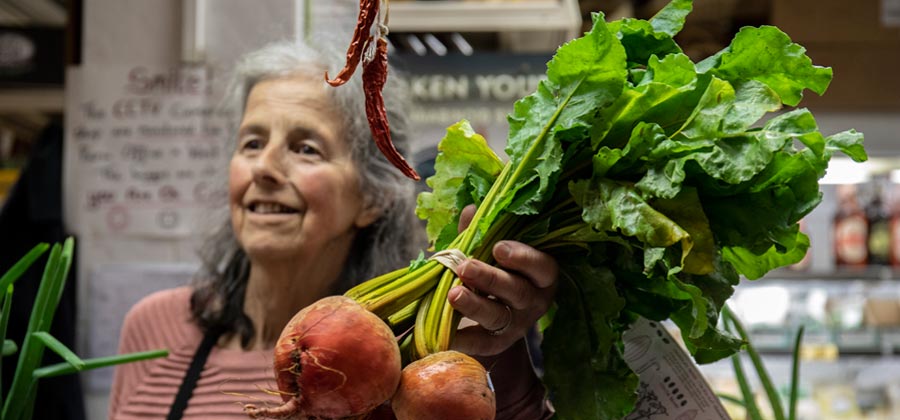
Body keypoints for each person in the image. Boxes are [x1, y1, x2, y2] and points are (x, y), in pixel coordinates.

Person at [108, 37, 557, 420]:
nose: (264, 167)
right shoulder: (153, 328)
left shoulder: (412, 369)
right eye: (251, 143)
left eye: (305, 149)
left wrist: (502, 352)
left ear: (373, 196)